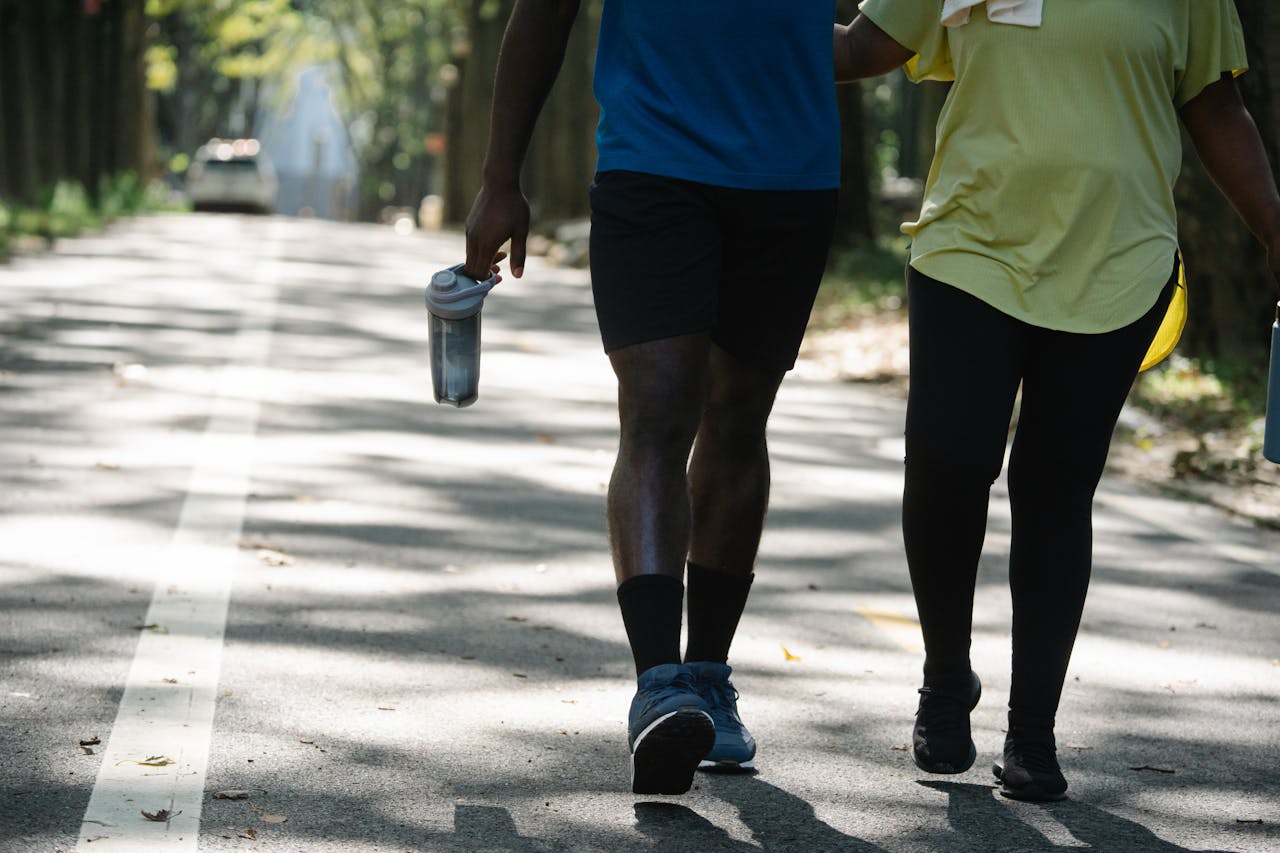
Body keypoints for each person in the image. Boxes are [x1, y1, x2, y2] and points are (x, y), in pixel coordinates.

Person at [834, 0, 1280, 801]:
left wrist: (1275, 224)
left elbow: (1214, 104)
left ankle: (1032, 732)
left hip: (1118, 256)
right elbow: (864, 46)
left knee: (1054, 487)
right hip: (969, 243)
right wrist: (739, 24)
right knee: (946, 459)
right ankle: (945, 677)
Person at [463, 1, 841, 795]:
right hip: (653, 163)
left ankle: (706, 673)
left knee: (738, 419)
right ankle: (658, 681)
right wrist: (502, 178)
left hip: (790, 177)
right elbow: (544, 11)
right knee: (661, 407)